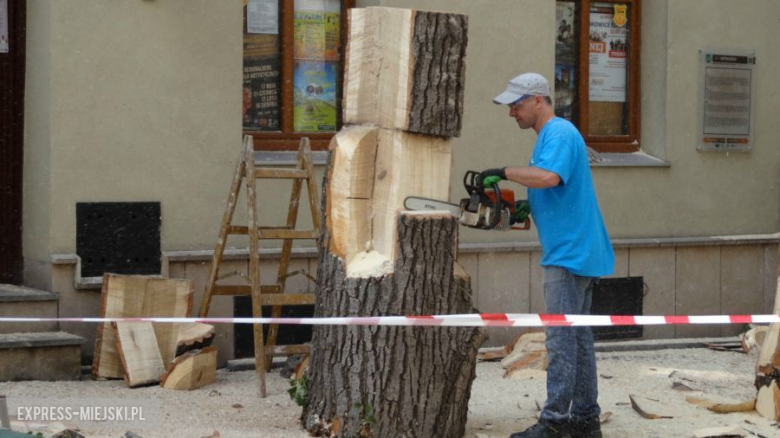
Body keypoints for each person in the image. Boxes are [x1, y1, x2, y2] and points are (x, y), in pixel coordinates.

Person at [478, 72, 614, 438]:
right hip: (578, 249)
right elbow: (551, 186)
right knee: (579, 338)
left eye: (516, 105)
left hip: (568, 255)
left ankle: (555, 423)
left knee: (560, 338)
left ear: (538, 100)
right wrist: (526, 208)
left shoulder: (558, 133)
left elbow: (549, 177)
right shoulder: (553, 136)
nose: (512, 113)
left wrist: (501, 173)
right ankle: (585, 419)